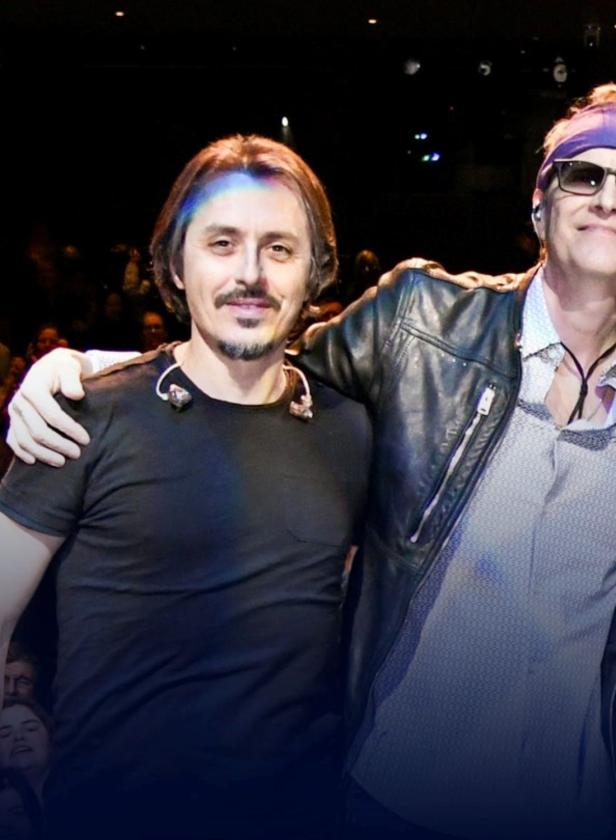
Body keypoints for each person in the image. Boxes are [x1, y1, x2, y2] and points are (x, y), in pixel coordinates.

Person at [6, 84, 616, 838]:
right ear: (539, 206)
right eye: (582, 175)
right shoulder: (420, 323)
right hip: (391, 797)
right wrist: (100, 368)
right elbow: (260, 367)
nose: (607, 198)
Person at [0, 135, 371, 840]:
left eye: (280, 249)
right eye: (222, 243)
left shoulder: (350, 428)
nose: (251, 274)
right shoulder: (83, 413)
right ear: (176, 260)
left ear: (316, 269)